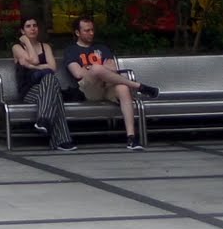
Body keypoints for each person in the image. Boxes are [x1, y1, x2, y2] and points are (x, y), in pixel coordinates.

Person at [60, 16, 157, 151]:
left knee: (122, 88)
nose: (91, 33)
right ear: (77, 33)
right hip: (88, 89)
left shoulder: (102, 48)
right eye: (87, 31)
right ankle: (137, 86)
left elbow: (113, 69)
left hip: (107, 86)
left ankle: (131, 138)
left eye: (92, 30)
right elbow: (77, 73)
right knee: (96, 68)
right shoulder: (71, 50)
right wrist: (96, 70)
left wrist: (93, 70)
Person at [11, 17, 76, 151]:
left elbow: (52, 68)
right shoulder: (17, 47)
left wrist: (32, 66)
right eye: (28, 26)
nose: (33, 28)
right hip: (28, 91)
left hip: (46, 89)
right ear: (22, 31)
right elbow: (35, 59)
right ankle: (61, 139)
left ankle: (44, 120)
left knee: (50, 79)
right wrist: (27, 43)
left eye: (35, 25)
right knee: (54, 92)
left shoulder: (45, 46)